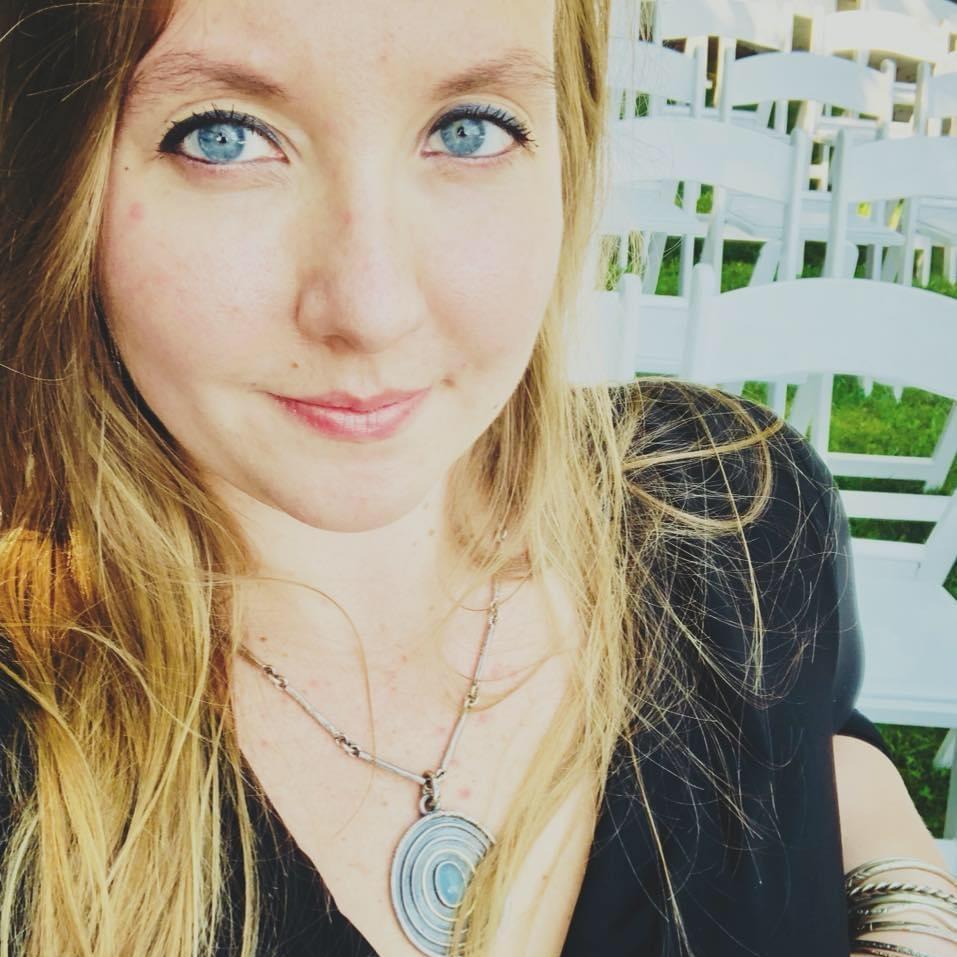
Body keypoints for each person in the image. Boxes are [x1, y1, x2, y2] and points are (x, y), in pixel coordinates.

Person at [0, 0, 954, 955]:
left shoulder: (737, 505)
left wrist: (908, 909)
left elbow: (817, 741)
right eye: (222, 136)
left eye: (469, 129)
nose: (372, 309)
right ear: (56, 175)